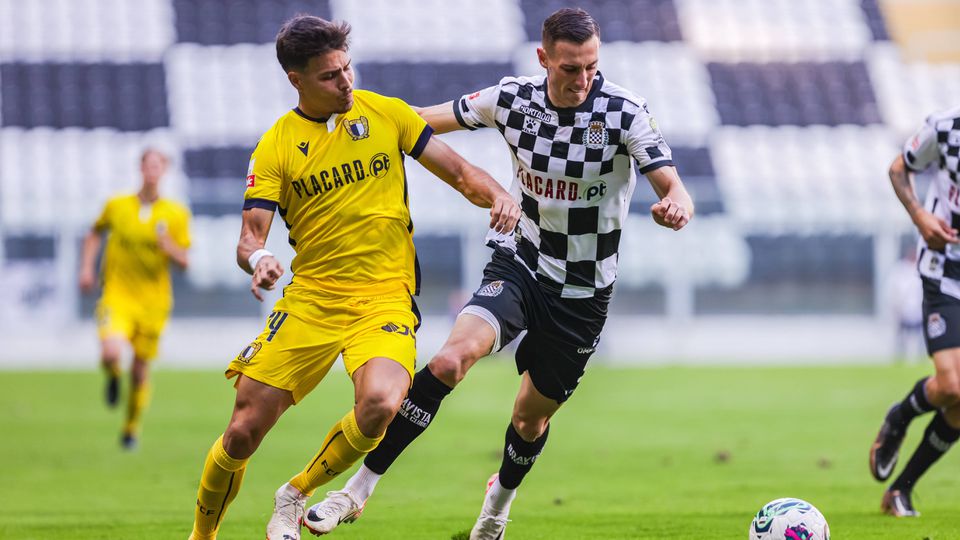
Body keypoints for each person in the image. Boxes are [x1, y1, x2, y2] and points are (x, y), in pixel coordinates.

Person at [305, 8, 693, 539]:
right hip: (521, 264)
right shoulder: (512, 100)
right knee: (448, 360)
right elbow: (416, 122)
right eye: (569, 69)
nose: (582, 80)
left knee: (530, 420)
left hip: (583, 292)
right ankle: (356, 491)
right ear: (543, 59)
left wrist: (677, 203)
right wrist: (347, 118)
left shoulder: (625, 112)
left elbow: (672, 184)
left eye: (591, 67)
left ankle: (496, 509)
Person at [187, 15, 520, 540]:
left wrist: (498, 193)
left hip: (384, 298)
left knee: (383, 403)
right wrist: (260, 261)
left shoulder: (385, 113)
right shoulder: (276, 146)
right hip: (311, 301)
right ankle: (201, 537)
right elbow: (249, 238)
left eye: (347, 68)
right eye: (329, 76)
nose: (346, 82)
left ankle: (295, 494)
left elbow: (459, 172)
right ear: (295, 79)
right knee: (242, 433)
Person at [869, 105, 960, 517]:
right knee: (954, 385)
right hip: (945, 271)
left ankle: (900, 491)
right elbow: (897, 169)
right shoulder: (946, 128)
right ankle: (900, 415)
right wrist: (921, 216)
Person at [78, 149, 191, 450]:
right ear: (141, 168)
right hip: (117, 295)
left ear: (163, 171)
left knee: (140, 370)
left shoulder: (176, 213)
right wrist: (87, 268)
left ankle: (130, 430)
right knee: (111, 353)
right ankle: (114, 376)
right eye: (148, 165)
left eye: (158, 166)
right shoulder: (117, 205)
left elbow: (185, 260)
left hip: (154, 303)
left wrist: (170, 248)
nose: (152, 171)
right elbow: (93, 234)